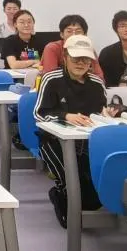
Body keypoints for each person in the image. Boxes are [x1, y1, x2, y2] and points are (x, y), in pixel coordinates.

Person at [34, 35, 108, 226]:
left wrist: (107, 114)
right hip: (54, 141)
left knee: (93, 197)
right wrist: (66, 116)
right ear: (65, 57)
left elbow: (101, 111)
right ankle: (60, 193)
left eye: (85, 59)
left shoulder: (96, 82)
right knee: (71, 182)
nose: (81, 63)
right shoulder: (51, 78)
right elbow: (40, 113)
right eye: (76, 58)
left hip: (88, 142)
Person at [40, 15, 105, 80]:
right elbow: (50, 77)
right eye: (69, 31)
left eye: (78, 31)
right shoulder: (52, 48)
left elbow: (99, 77)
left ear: (85, 35)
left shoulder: (88, 49)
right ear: (62, 34)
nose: (73, 35)